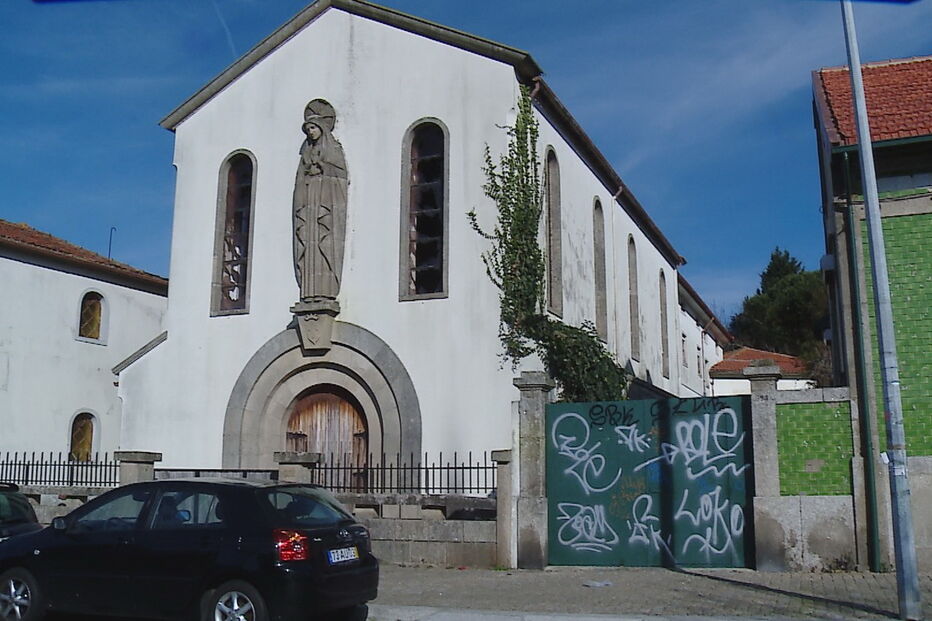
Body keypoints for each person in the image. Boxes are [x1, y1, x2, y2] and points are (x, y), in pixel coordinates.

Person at [293, 99, 348, 301]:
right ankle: (308, 290)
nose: (311, 133)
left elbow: (340, 176)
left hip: (325, 202)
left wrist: (323, 168)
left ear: (322, 128)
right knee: (309, 243)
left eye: (313, 128)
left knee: (323, 242)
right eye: (308, 129)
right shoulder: (305, 154)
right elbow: (299, 181)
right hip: (309, 201)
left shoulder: (333, 150)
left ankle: (326, 288)